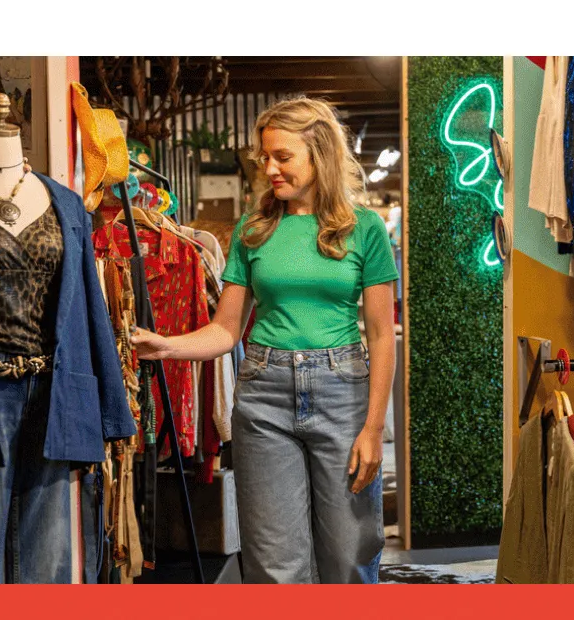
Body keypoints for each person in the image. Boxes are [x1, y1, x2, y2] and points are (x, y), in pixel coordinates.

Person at [126, 97, 398, 584]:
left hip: (343, 395)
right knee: (274, 565)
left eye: (283, 157)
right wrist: (166, 345)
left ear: (320, 153)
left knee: (349, 556)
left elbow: (381, 335)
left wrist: (374, 428)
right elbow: (226, 329)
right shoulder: (254, 230)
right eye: (265, 157)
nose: (269, 168)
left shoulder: (365, 229)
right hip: (264, 396)